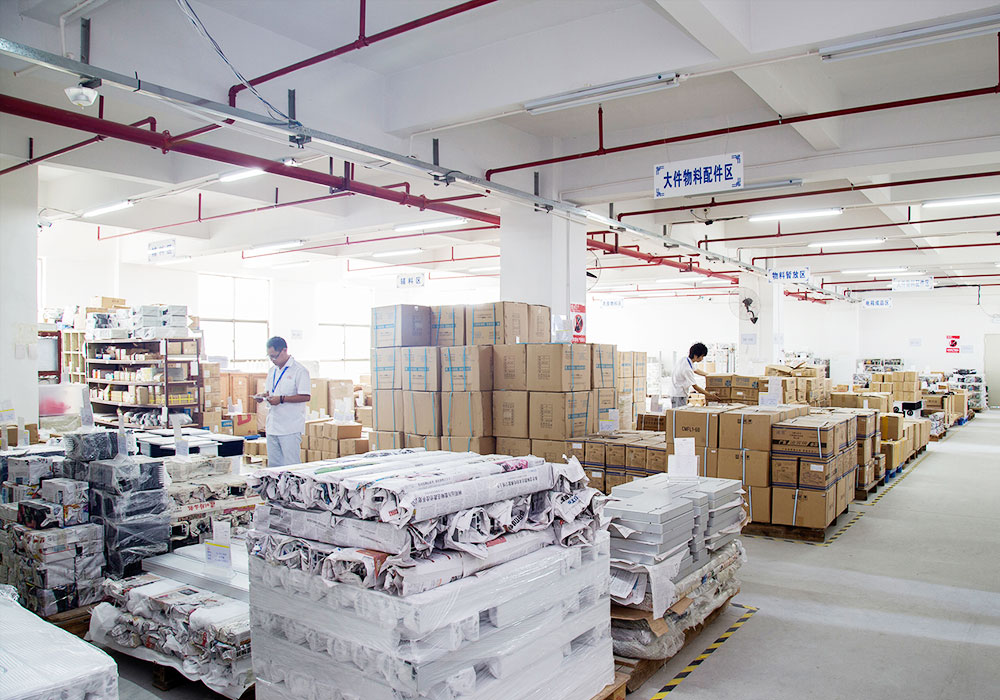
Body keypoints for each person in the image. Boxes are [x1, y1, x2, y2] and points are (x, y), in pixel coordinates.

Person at [255, 336, 311, 467]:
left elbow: (305, 396)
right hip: (273, 425)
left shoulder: (299, 370)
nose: (272, 360)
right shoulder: (272, 371)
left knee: (291, 465)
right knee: (274, 465)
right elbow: (270, 392)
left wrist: (281, 399)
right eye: (270, 357)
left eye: (274, 356)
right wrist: (262, 396)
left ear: (284, 350)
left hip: (290, 427)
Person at [668, 342, 718, 408]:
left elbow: (696, 370)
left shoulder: (685, 360)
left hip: (678, 393)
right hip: (679, 395)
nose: (702, 359)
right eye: (702, 356)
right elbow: (695, 387)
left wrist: (709, 375)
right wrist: (709, 395)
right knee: (679, 413)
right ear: (695, 356)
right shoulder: (687, 369)